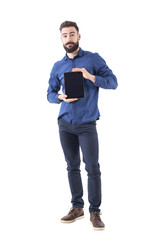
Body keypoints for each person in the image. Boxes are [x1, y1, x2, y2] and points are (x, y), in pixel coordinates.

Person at [47, 21, 118, 230]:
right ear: (61, 39)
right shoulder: (57, 66)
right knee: (72, 166)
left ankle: (94, 211)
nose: (68, 38)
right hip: (65, 123)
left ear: (79, 36)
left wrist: (91, 77)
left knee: (92, 167)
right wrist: (60, 97)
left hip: (87, 123)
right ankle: (77, 207)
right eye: (65, 35)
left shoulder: (93, 59)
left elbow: (113, 82)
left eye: (72, 34)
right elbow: (49, 94)